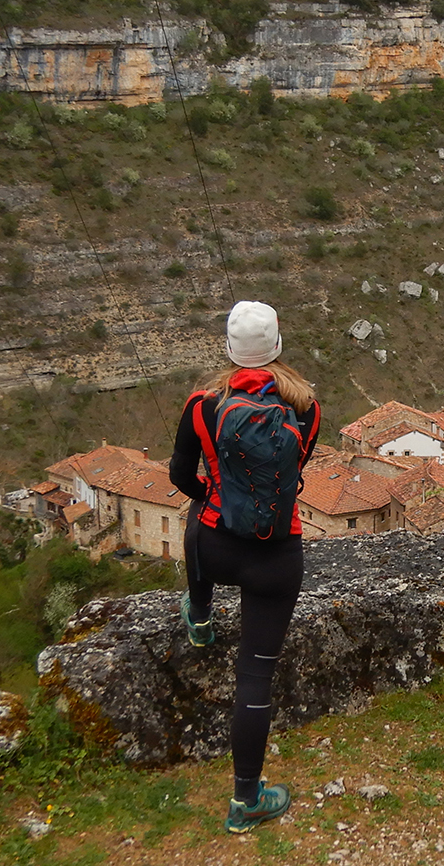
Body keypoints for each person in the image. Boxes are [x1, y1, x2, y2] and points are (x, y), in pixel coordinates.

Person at [170, 300, 322, 834]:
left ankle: (201, 612)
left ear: (230, 351)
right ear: (277, 346)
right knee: (254, 678)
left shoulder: (202, 404)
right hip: (278, 555)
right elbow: (291, 472)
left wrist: (215, 496)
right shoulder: (306, 406)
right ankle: (244, 803)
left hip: (213, 546)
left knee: (197, 508)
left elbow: (179, 474)